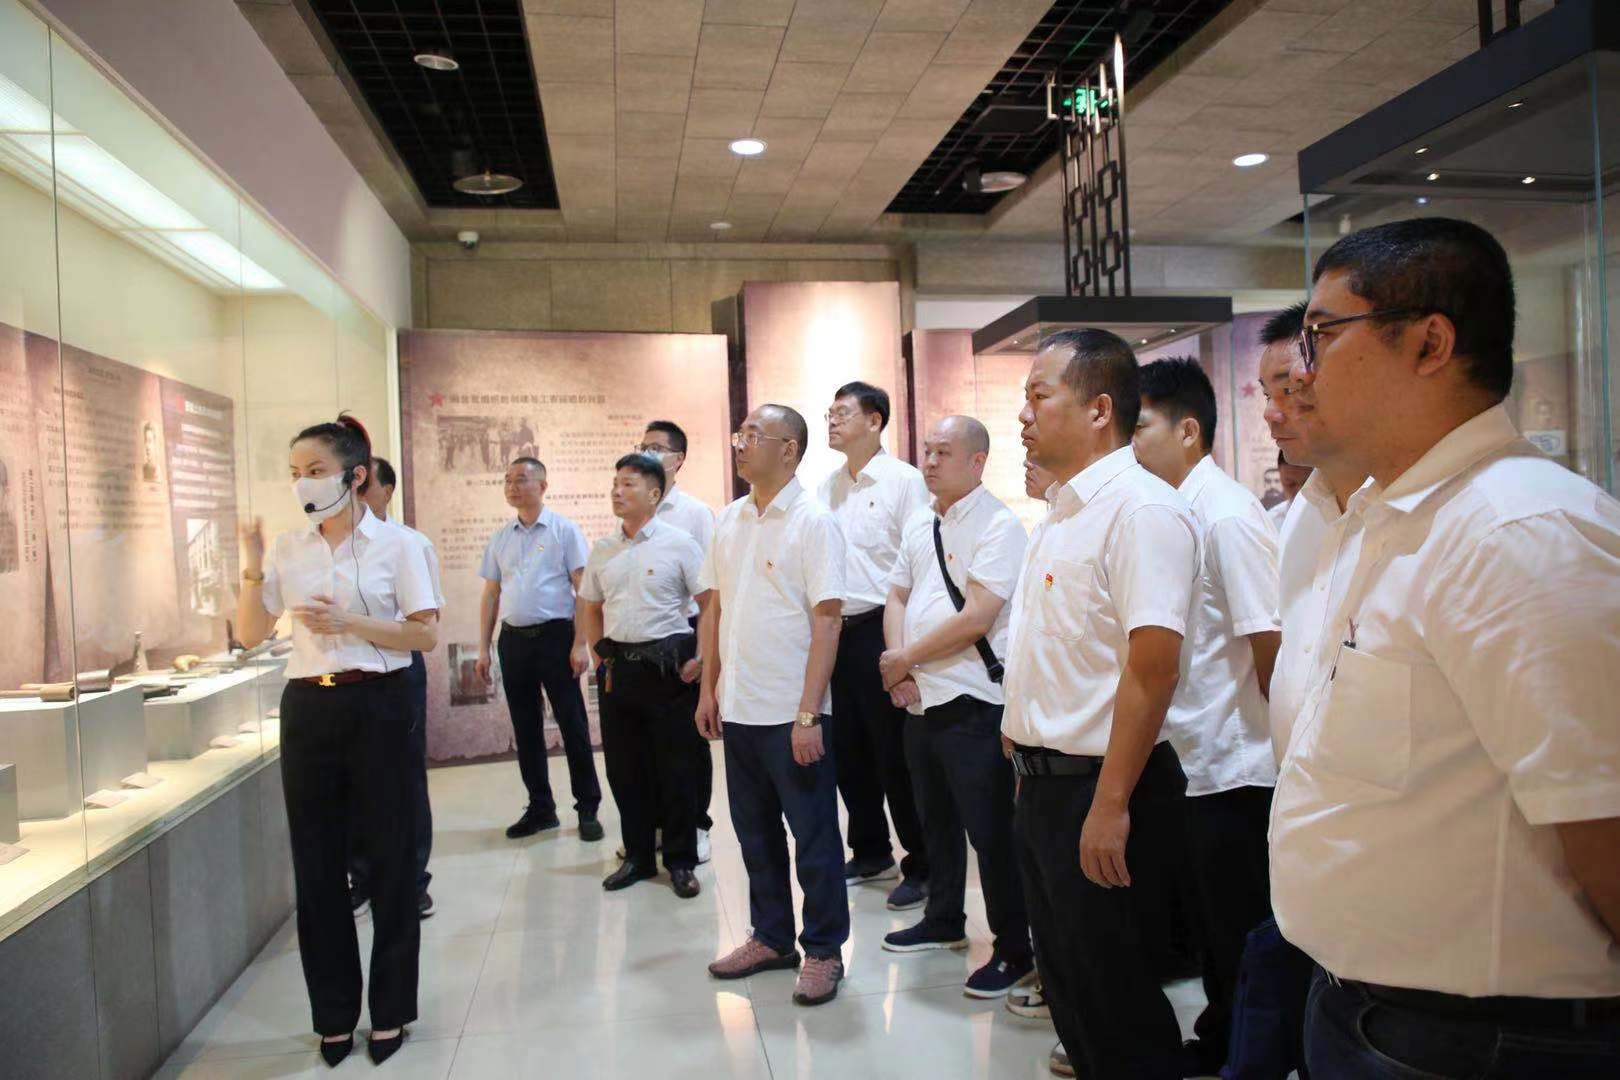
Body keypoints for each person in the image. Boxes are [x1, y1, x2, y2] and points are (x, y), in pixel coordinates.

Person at [1270, 217, 1620, 1077]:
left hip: (1479, 1038)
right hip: (1372, 1009)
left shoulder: (1520, 531)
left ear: (1430, 343)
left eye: (1322, 335)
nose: (1303, 374)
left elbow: (1604, 820)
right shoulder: (1389, 519)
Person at [1003, 328, 1200, 1080]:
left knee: (1119, 1002)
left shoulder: (1141, 511)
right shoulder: (1063, 510)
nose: (1024, 414)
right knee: (1073, 991)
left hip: (1106, 788)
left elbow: (1153, 669)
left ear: (1098, 410)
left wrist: (1111, 804)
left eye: (1039, 395)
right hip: (1046, 787)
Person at [235, 414, 437, 1067]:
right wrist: (250, 564)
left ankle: (391, 1009)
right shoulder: (289, 548)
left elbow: (424, 634)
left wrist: (351, 621)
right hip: (308, 707)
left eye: (316, 471)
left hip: (379, 702)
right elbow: (250, 632)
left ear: (354, 475)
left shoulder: (400, 545)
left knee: (390, 857)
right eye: (295, 473)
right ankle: (333, 1014)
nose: (303, 483)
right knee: (317, 864)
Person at [1132, 358, 1282, 1076]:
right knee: (1209, 922)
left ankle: (1249, 1055)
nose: (1130, 443)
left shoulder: (1225, 514)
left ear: (1188, 431)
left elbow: (1269, 641)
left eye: (1141, 427)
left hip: (1233, 761)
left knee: (1240, 925)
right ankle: (1224, 1038)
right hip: (1189, 755)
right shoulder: (1175, 509)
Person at [698, 404, 851, 1007]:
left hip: (793, 712)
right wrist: (709, 689)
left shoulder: (814, 521)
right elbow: (714, 609)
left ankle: (824, 950)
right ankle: (770, 938)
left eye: (753, 435)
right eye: (739, 434)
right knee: (753, 834)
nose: (740, 444)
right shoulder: (729, 519)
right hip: (739, 706)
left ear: (789, 450)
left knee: (813, 838)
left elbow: (829, 620)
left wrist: (809, 713)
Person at [876, 415, 1033, 997]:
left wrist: (904, 657)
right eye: (927, 451)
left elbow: (976, 618)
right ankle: (943, 917)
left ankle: (1014, 948)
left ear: (977, 461)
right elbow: (897, 594)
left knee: (991, 834)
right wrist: (899, 667)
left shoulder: (999, 526)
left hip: (973, 703)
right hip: (920, 700)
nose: (931, 462)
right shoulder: (922, 520)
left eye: (944, 452)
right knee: (934, 821)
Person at [818, 380, 932, 910]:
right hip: (835, 632)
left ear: (875, 421)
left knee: (895, 755)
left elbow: (919, 566)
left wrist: (906, 652)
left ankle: (923, 863)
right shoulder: (827, 488)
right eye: (830, 413)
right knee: (848, 752)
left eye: (843, 413)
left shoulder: (905, 482)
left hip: (882, 631)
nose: (832, 421)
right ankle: (869, 850)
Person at [577, 453, 710, 899]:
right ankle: (637, 856)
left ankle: (681, 861)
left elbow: (709, 604)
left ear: (654, 494)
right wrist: (598, 655)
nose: (617, 491)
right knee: (625, 769)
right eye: (615, 483)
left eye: (629, 484)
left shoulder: (679, 543)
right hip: (620, 671)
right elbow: (590, 605)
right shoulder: (603, 549)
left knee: (676, 768)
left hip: (670, 669)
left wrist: (702, 658)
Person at [475, 457, 603, 842]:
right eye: (508, 481)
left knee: (572, 723)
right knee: (525, 727)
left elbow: (583, 589)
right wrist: (483, 648)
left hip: (555, 638)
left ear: (543, 486)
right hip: (513, 640)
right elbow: (491, 594)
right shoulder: (501, 537)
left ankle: (587, 807)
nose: (513, 487)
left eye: (521, 480)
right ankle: (541, 808)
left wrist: (580, 643)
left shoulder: (564, 531)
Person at [348, 456, 442, 920]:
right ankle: (362, 877)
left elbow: (427, 621)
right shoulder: (329, 548)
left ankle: (413, 879)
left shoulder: (410, 544)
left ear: (386, 491)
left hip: (400, 668)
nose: (356, 495)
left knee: (405, 775)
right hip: (346, 675)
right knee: (354, 780)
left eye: (365, 485)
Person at [633, 419, 716, 864]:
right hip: (642, 640)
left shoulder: (695, 514)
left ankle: (697, 826)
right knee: (648, 746)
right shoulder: (634, 508)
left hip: (684, 636)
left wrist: (703, 653)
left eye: (656, 448)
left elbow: (710, 591)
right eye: (641, 446)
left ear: (678, 459)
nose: (646, 454)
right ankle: (659, 827)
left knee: (687, 742)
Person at [1267, 449, 1312, 531]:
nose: (1299, 492)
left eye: (1306, 483)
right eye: (1291, 484)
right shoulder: (1271, 523)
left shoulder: (1331, 517)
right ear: (1280, 477)